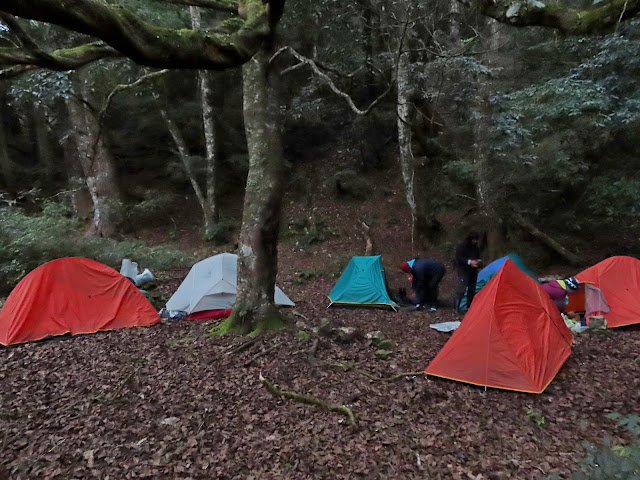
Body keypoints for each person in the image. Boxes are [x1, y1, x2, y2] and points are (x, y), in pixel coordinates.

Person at [454, 232, 484, 312]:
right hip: (463, 270)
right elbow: (459, 259)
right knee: (461, 289)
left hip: (473, 271)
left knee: (472, 290)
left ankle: (469, 307)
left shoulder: (476, 248)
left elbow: (477, 257)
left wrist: (478, 262)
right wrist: (469, 262)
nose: (475, 241)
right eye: (474, 240)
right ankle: (456, 307)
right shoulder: (461, 247)